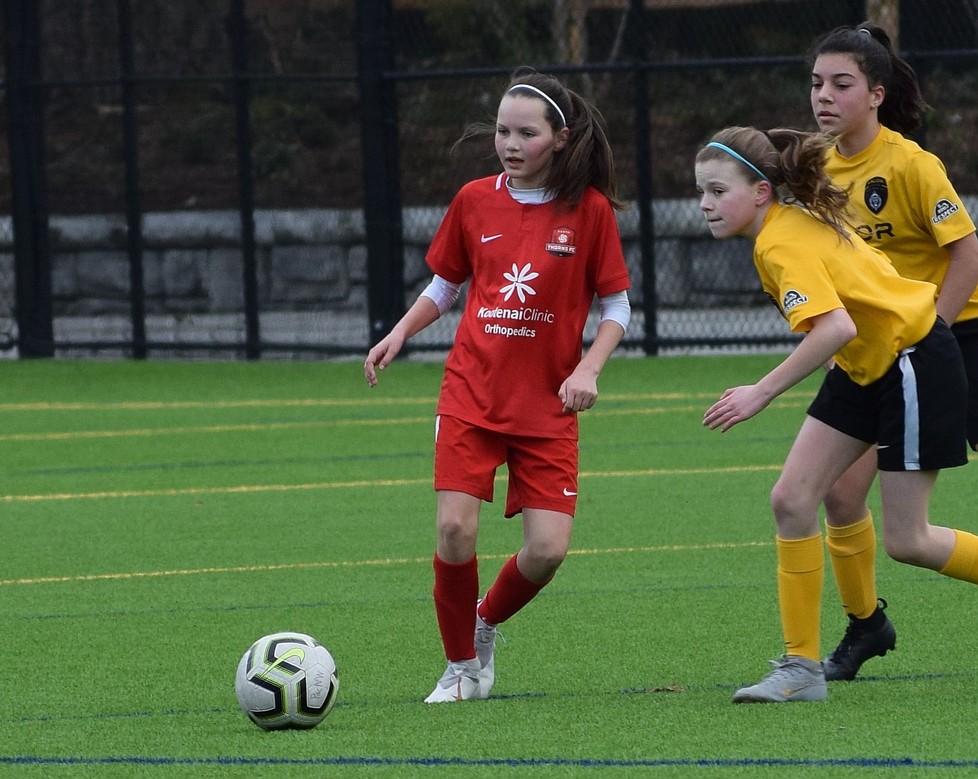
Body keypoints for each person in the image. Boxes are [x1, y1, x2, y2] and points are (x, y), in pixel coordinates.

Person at [363, 67, 631, 703]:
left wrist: (588, 367)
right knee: (455, 530)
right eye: (503, 131)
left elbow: (617, 304)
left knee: (547, 550)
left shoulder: (588, 211)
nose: (510, 144)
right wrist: (401, 332)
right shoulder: (474, 200)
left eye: (525, 133)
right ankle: (459, 668)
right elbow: (445, 285)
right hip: (471, 394)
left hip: (548, 405)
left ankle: (482, 624)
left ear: (559, 139)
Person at [694, 126, 978, 703]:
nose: (704, 204)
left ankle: (814, 659)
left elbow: (837, 327)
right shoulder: (783, 225)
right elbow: (849, 320)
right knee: (791, 499)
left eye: (718, 191)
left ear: (760, 193)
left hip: (912, 361)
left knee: (910, 539)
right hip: (866, 366)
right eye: (700, 191)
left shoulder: (779, 242)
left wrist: (761, 391)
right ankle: (801, 669)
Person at [808, 22, 978, 683]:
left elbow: (966, 252)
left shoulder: (910, 164)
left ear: (876, 94)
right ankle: (865, 625)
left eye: (841, 84)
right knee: (839, 493)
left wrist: (926, 332)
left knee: (909, 527)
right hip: (882, 346)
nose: (824, 96)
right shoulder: (818, 170)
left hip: (954, 333)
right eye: (816, 84)